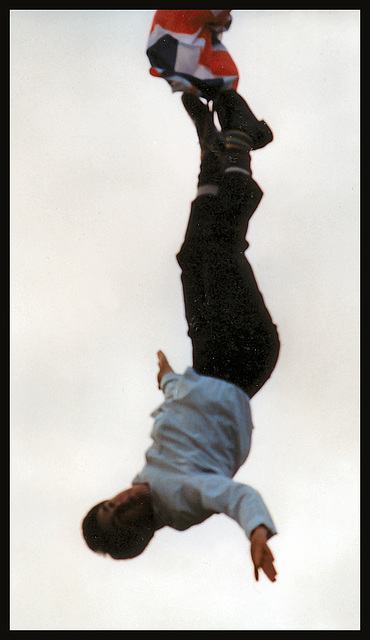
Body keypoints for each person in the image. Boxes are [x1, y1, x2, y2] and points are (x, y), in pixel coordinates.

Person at [82, 89, 280, 582]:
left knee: (192, 257)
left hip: (206, 360)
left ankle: (210, 157)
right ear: (142, 530)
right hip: (241, 360)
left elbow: (178, 427)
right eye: (121, 513)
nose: (124, 499)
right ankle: (240, 140)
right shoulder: (185, 501)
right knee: (219, 248)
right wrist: (257, 533)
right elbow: (237, 496)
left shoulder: (147, 478)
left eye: (111, 502)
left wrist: (170, 381)